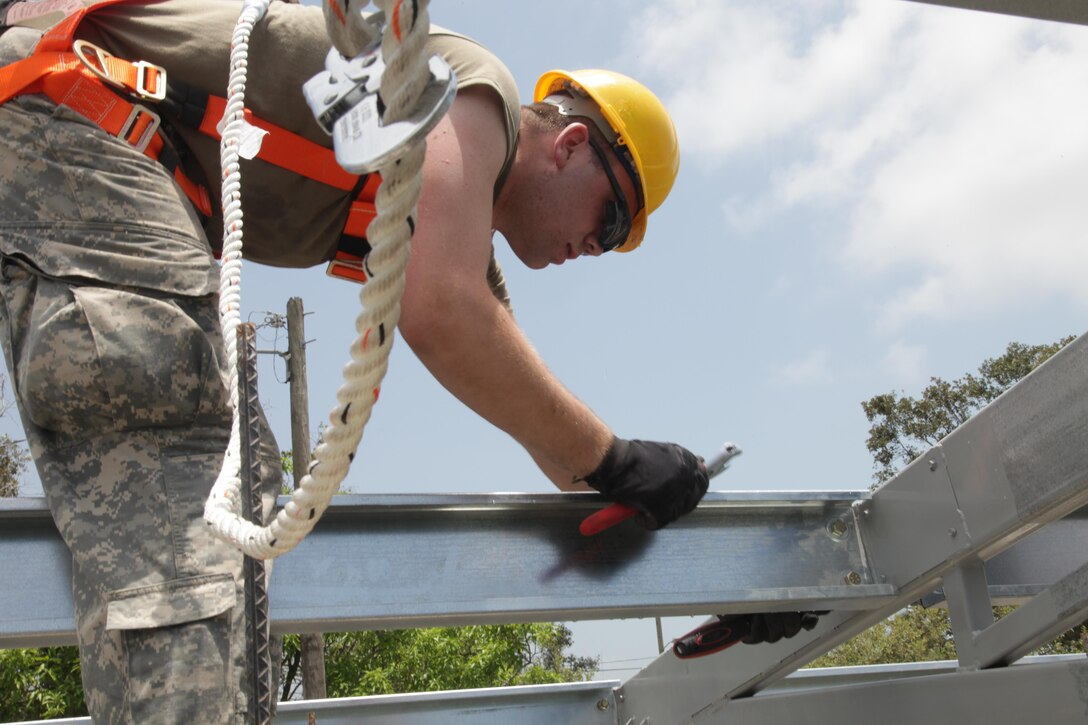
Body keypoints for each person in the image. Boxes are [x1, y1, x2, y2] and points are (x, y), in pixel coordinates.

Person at [0, 0, 788, 721]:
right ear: (573, 144)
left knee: (208, 495)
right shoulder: (477, 95)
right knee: (196, 474)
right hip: (80, 112)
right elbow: (440, 312)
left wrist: (696, 529)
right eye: (611, 217)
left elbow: (544, 426)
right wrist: (615, 457)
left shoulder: (448, 216)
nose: (597, 246)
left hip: (82, 142)